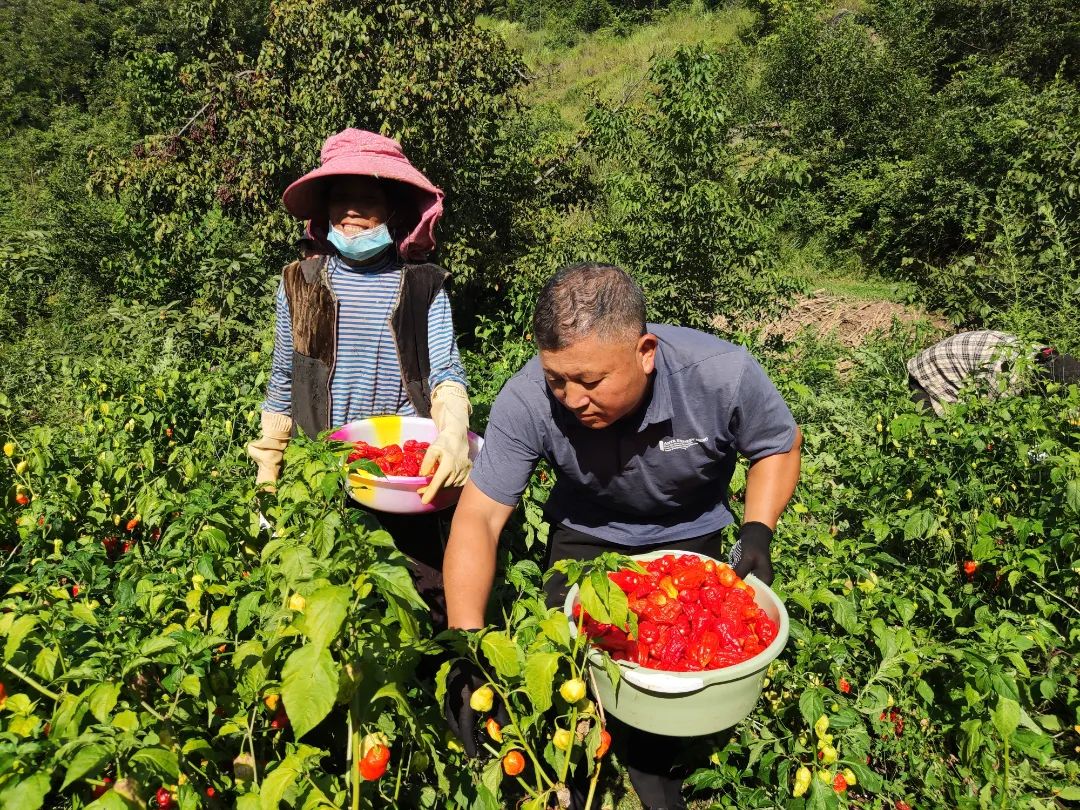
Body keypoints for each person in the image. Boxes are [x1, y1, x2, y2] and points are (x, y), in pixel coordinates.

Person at [441, 263, 802, 810]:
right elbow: (479, 518)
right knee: (567, 659)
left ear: (645, 351)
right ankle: (570, 751)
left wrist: (757, 529)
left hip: (691, 536)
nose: (571, 398)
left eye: (590, 381)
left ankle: (655, 759)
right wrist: (467, 642)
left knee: (684, 665)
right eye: (558, 380)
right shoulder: (528, 398)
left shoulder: (720, 374)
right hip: (587, 536)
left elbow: (777, 444)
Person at [246, 128, 474, 628]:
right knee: (323, 613)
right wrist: (268, 469)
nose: (351, 211)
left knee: (424, 606)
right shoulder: (299, 284)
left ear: (393, 210)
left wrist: (454, 430)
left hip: (402, 478)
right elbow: (284, 377)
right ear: (323, 210)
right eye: (340, 199)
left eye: (366, 200)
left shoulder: (423, 285)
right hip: (323, 472)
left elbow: (446, 370)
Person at [907, 330, 1080, 416]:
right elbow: (990, 411)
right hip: (933, 366)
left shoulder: (1042, 353)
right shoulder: (1008, 375)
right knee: (935, 428)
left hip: (962, 354)